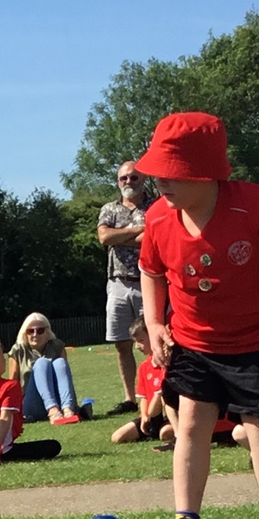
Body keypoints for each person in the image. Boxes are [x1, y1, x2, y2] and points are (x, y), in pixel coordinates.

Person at [135, 110, 259, 519]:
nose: (160, 181)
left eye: (172, 173)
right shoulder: (158, 217)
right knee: (191, 426)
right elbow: (150, 271)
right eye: (157, 172)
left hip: (257, 339)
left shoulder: (253, 204)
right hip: (193, 343)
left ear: (206, 173)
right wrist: (155, 323)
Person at [98, 162, 148, 410]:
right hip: (117, 283)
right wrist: (137, 230)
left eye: (134, 177)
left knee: (152, 339)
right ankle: (130, 399)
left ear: (143, 180)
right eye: (124, 178)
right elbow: (104, 237)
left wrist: (120, 235)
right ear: (118, 181)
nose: (129, 182)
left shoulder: (155, 206)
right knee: (121, 343)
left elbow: (153, 237)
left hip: (147, 281)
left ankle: (156, 394)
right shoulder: (109, 208)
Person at [110, 317, 174, 447]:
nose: (137, 346)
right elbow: (143, 397)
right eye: (135, 342)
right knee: (117, 437)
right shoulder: (144, 367)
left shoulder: (169, 363)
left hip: (166, 416)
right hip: (150, 416)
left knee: (165, 433)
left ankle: (169, 430)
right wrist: (144, 416)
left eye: (141, 341)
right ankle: (151, 430)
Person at [9, 313, 82, 425]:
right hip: (32, 403)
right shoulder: (18, 350)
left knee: (60, 362)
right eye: (30, 331)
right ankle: (52, 411)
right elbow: (12, 382)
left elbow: (65, 378)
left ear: (47, 332)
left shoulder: (57, 346)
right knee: (42, 363)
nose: (35, 335)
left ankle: (68, 409)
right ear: (25, 333)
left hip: (59, 401)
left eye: (40, 331)